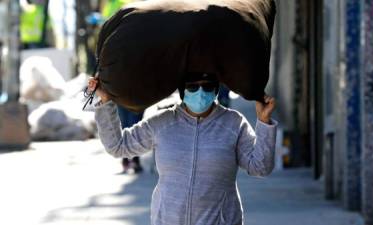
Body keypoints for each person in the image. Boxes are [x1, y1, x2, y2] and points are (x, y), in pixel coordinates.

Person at [87, 72, 277, 225]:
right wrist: (105, 103)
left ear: (216, 89)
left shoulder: (233, 124)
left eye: (207, 86)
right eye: (193, 87)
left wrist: (264, 122)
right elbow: (117, 146)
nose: (200, 93)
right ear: (182, 91)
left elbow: (260, 167)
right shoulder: (163, 122)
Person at [117, 105, 144, 174]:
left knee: (134, 127)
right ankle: (127, 160)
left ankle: (134, 160)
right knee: (126, 127)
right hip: (122, 99)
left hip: (134, 98)